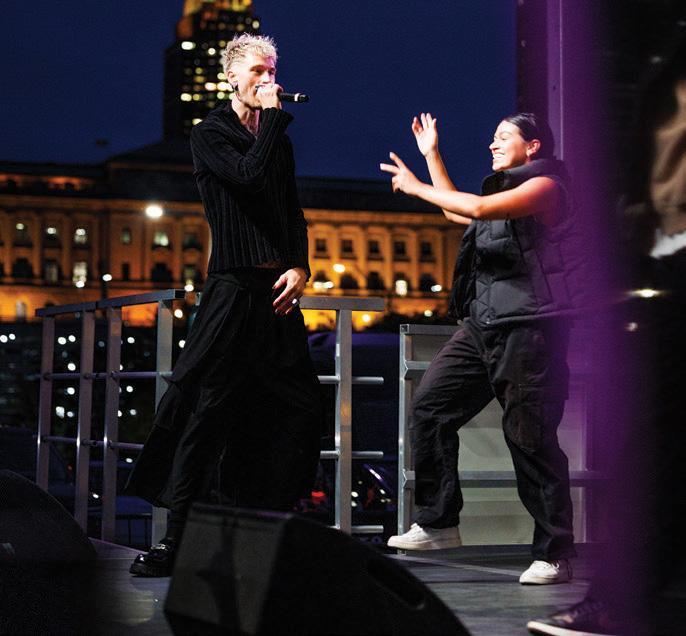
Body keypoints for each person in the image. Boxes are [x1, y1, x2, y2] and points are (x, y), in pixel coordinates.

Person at [125, 33, 322, 577]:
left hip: (276, 294)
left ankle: (266, 531)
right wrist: (273, 119)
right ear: (232, 77)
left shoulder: (276, 137)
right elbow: (248, 179)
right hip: (232, 290)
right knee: (206, 413)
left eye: (272, 70)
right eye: (257, 71)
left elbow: (290, 210)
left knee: (295, 409)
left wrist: (300, 265)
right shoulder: (210, 133)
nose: (267, 79)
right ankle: (176, 541)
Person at [380, 112, 584, 584]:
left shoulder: (547, 187)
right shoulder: (499, 194)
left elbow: (476, 208)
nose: (492, 144)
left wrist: (415, 187)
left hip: (530, 326)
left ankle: (555, 554)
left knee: (530, 439)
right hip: (482, 324)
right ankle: (439, 523)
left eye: (503, 137)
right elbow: (459, 212)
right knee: (430, 408)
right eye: (492, 138)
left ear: (533, 146)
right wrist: (432, 155)